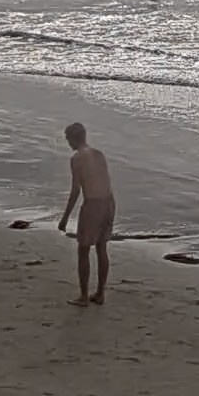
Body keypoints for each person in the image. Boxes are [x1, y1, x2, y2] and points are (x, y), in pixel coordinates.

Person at [56, 122, 116, 306]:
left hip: (93, 205)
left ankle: (83, 296)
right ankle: (100, 293)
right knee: (101, 247)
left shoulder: (77, 158)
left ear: (74, 138)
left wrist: (65, 217)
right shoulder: (99, 154)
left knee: (83, 250)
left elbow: (75, 191)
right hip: (109, 202)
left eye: (68, 139)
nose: (68, 143)